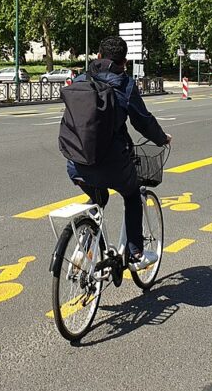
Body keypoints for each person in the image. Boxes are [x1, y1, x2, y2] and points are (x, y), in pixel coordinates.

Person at [65, 35, 171, 267]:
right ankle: (135, 255)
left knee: (98, 197)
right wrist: (161, 138)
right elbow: (142, 121)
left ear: (99, 56)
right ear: (125, 61)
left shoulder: (81, 79)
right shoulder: (124, 83)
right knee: (132, 195)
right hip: (112, 164)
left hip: (75, 161)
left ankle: (85, 245)